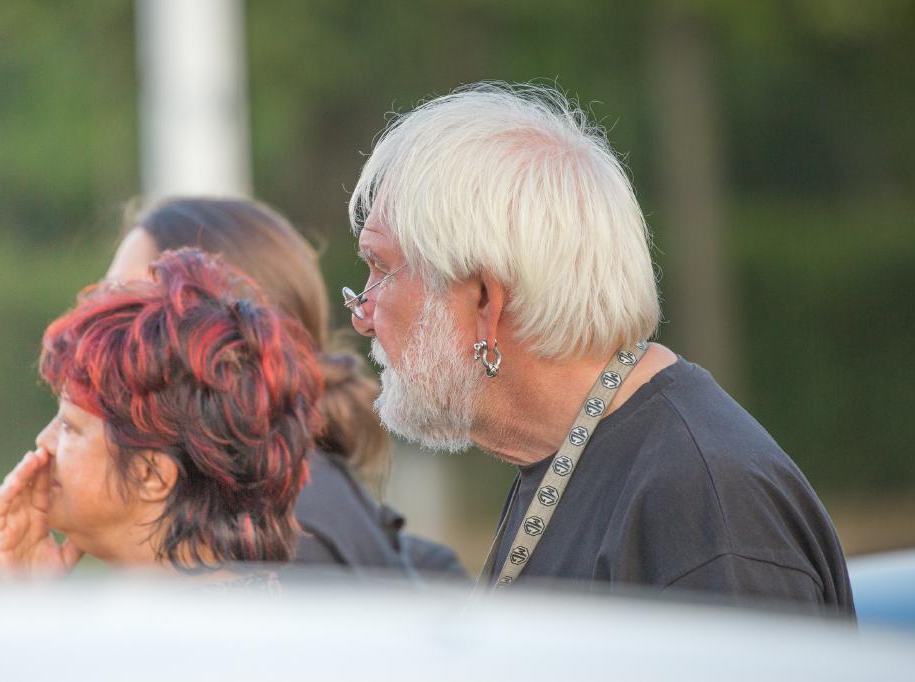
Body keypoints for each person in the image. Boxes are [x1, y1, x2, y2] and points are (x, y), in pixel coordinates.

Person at [343, 82, 854, 616]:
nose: (363, 315)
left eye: (380, 269)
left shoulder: (705, 506)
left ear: (485, 302)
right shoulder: (576, 453)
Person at [107, 198, 467, 581]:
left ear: (224, 333)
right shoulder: (277, 502)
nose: (94, 330)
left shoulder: (270, 527)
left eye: (127, 307)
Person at [0, 248, 322, 585]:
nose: (44, 441)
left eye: (69, 427)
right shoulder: (234, 605)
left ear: (151, 474)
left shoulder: (200, 618)